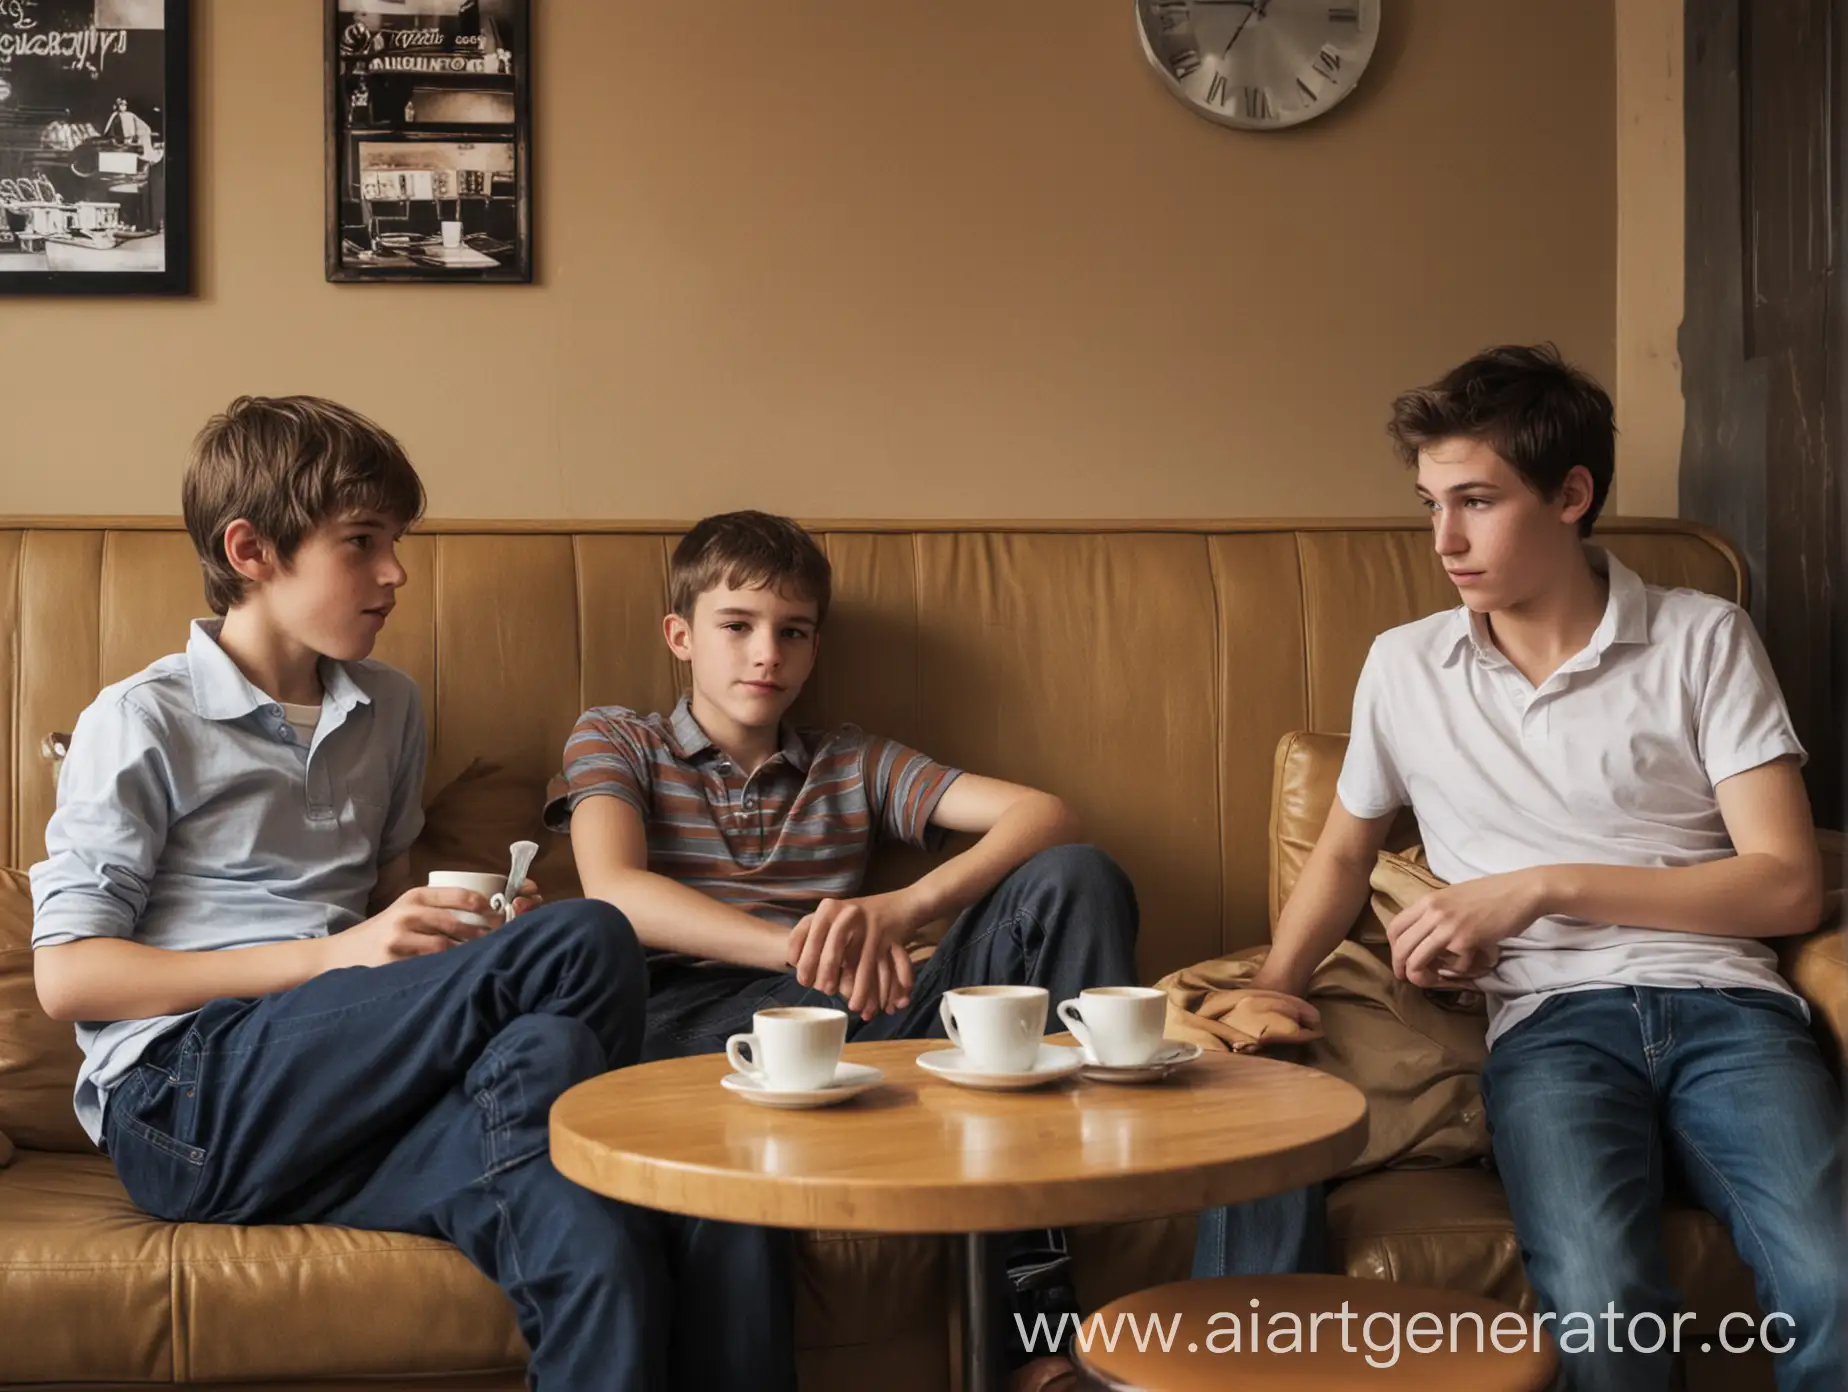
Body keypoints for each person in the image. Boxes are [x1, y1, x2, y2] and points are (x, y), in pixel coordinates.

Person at [29, 396, 791, 1392]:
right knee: (588, 938)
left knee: (581, 1176)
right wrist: (333, 957)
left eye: (396, 541)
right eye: (361, 543)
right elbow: (68, 977)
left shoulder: (388, 708)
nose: (395, 571)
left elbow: (385, 914)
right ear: (251, 549)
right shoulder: (140, 720)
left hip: (351, 1095)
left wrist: (465, 935)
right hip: (187, 1099)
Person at [1193, 345, 1843, 1392]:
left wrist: (1541, 884)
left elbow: (1785, 885)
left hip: (1729, 1012)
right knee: (1598, 1299)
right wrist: (1273, 986)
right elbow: (1347, 852)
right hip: (1550, 1029)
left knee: (1833, 1280)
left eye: (1477, 501)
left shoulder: (1704, 637)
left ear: (1573, 494)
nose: (1443, 539)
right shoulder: (1406, 665)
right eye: (1429, 503)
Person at [545, 510, 1142, 1384]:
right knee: (759, 1074)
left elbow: (1044, 814)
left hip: (860, 1020)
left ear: (815, 649)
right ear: (680, 635)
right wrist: (798, 948)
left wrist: (903, 908)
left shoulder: (849, 759)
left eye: (793, 633)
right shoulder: (617, 737)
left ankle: (1050, 1318)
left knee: (1077, 874)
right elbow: (614, 892)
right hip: (699, 1034)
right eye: (738, 626)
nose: (767, 655)